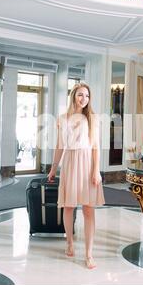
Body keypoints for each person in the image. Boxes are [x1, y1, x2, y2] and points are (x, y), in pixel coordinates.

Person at [47, 82, 105, 269]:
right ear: (73, 96)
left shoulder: (93, 119)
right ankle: (69, 242)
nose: (84, 99)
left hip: (88, 163)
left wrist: (96, 170)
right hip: (70, 163)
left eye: (87, 96)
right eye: (80, 95)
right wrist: (53, 168)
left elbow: (96, 147)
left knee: (89, 209)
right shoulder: (63, 118)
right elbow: (59, 146)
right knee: (69, 207)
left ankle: (89, 254)